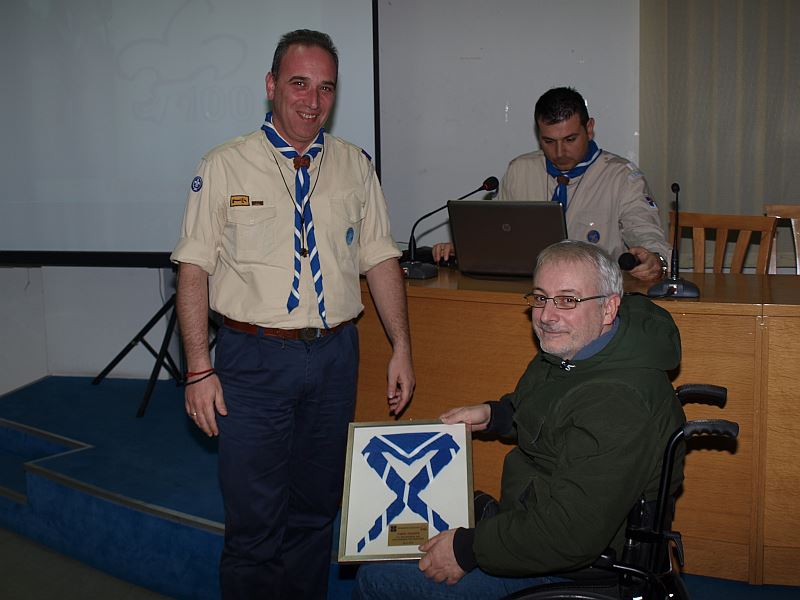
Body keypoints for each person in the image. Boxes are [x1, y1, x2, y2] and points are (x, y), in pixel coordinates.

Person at [170, 29, 415, 600]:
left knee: (314, 512)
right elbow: (194, 269)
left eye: (325, 87)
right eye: (299, 83)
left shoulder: (355, 165)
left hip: (334, 358)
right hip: (252, 361)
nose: (312, 100)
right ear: (271, 85)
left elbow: (379, 257)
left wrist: (402, 346)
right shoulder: (225, 165)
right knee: (255, 522)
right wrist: (199, 368)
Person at [354, 240, 685, 599]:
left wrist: (466, 550)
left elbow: (569, 536)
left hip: (573, 565)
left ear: (608, 308)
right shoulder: (580, 351)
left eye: (567, 300)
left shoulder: (621, 402)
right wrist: (495, 415)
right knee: (386, 524)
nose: (546, 316)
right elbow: (550, 409)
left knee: (377, 578)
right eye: (540, 298)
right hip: (534, 514)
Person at [433, 87, 670, 281]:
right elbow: (499, 237)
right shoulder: (520, 170)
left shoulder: (622, 177)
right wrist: (467, 249)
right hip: (528, 287)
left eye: (570, 139)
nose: (559, 152)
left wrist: (655, 260)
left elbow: (647, 234)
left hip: (595, 293)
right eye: (548, 141)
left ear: (589, 129)